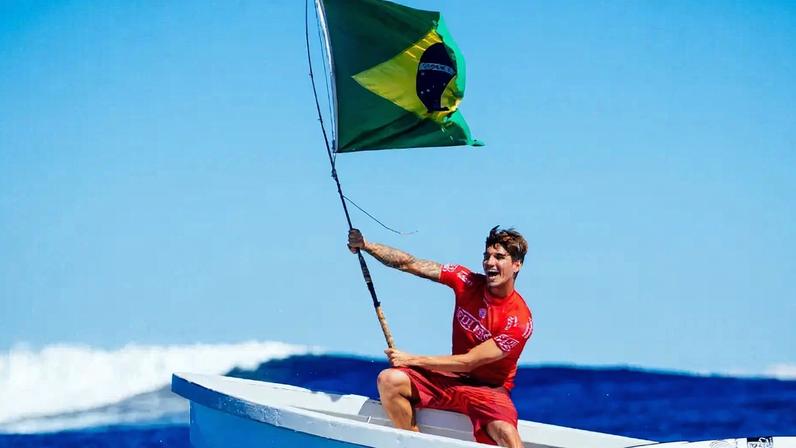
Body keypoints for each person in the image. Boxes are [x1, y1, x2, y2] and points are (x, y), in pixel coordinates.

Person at [347, 226, 532, 448]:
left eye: (499, 257)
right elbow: (410, 263)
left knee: (507, 435)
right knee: (389, 380)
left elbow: (469, 361)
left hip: (488, 391)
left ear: (517, 264)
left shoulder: (519, 320)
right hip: (450, 380)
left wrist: (410, 359)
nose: (490, 263)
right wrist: (366, 245)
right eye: (487, 256)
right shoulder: (466, 281)